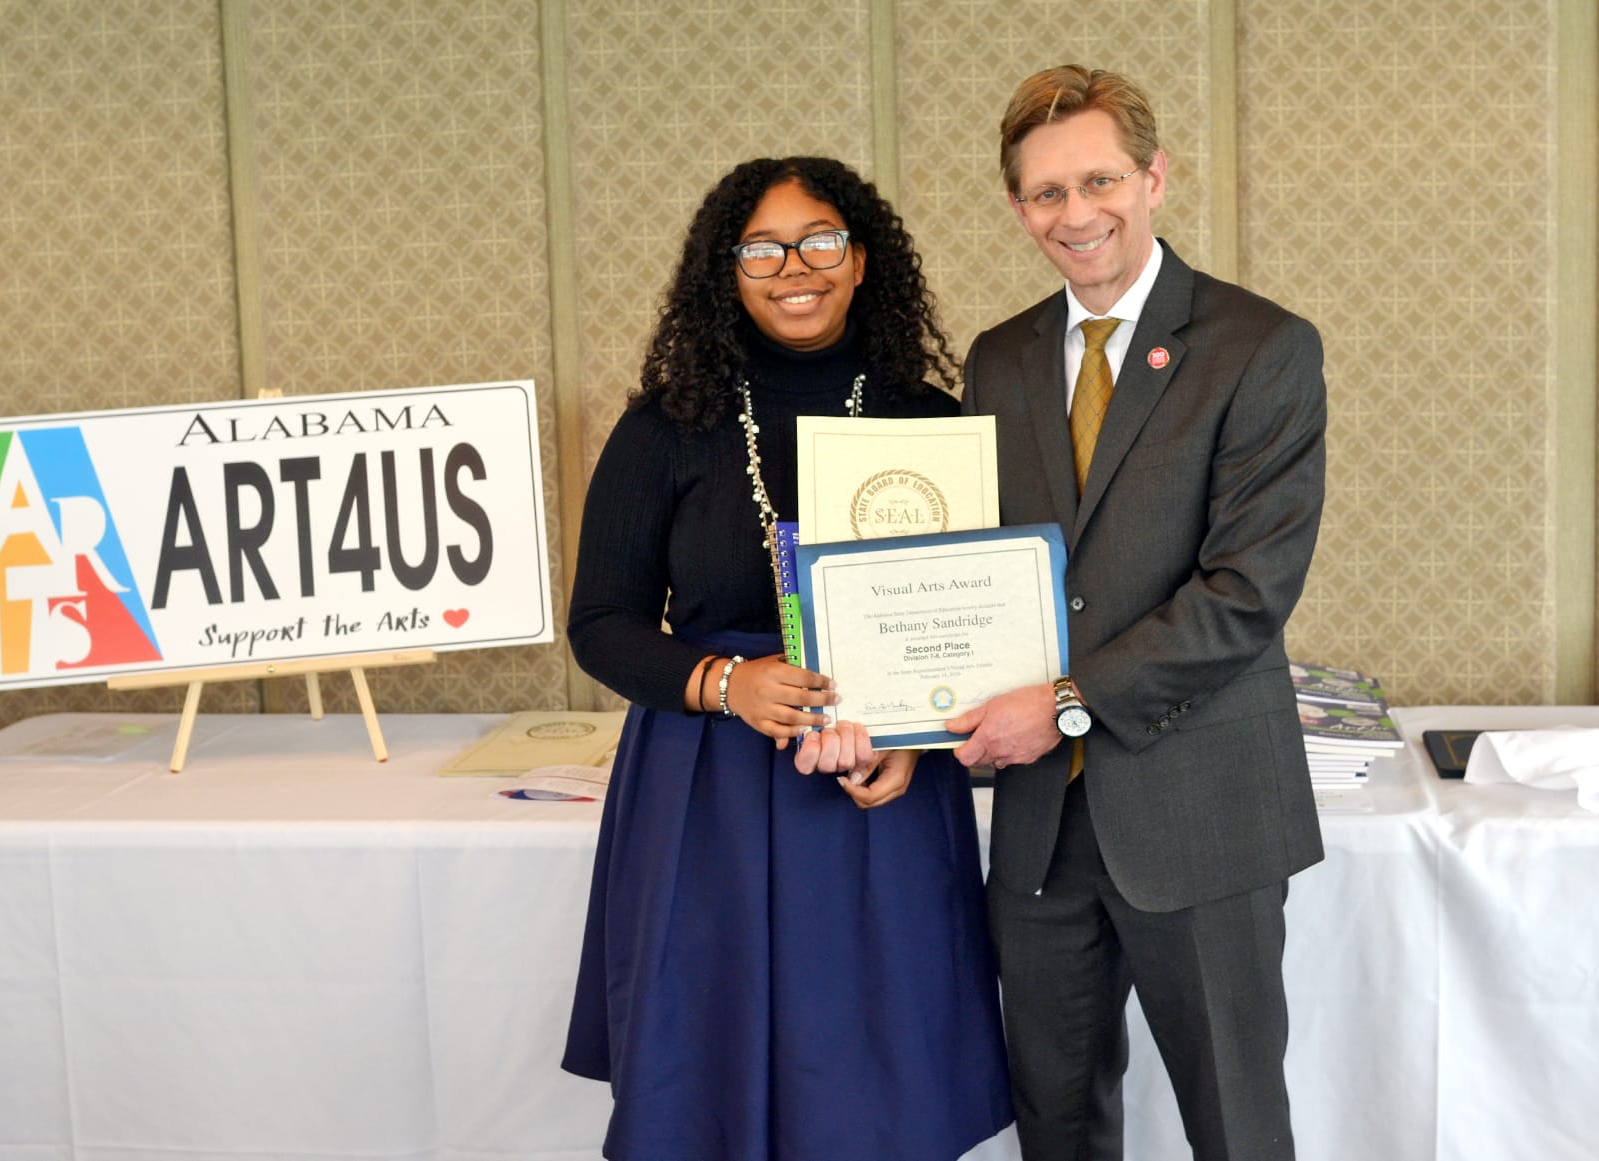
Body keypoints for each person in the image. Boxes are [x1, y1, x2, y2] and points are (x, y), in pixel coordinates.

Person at [561, 156, 1013, 1161]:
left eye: (819, 241)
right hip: (707, 785)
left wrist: (916, 744)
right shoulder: (664, 426)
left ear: (861, 263)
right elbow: (601, 622)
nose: (791, 267)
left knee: (878, 1078)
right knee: (704, 1081)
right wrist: (725, 683)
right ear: (727, 271)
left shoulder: (932, 423)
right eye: (760, 247)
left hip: (886, 788)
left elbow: (965, 627)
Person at [947, 65, 1328, 1161]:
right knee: (1057, 1127)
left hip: (1199, 812)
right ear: (1019, 209)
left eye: (1100, 180)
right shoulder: (999, 359)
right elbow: (974, 572)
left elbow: (1245, 594)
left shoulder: (1262, 348)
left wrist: (1063, 703)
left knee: (1236, 1127)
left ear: (1156, 178)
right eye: (1046, 194)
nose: (1078, 215)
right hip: (1040, 829)